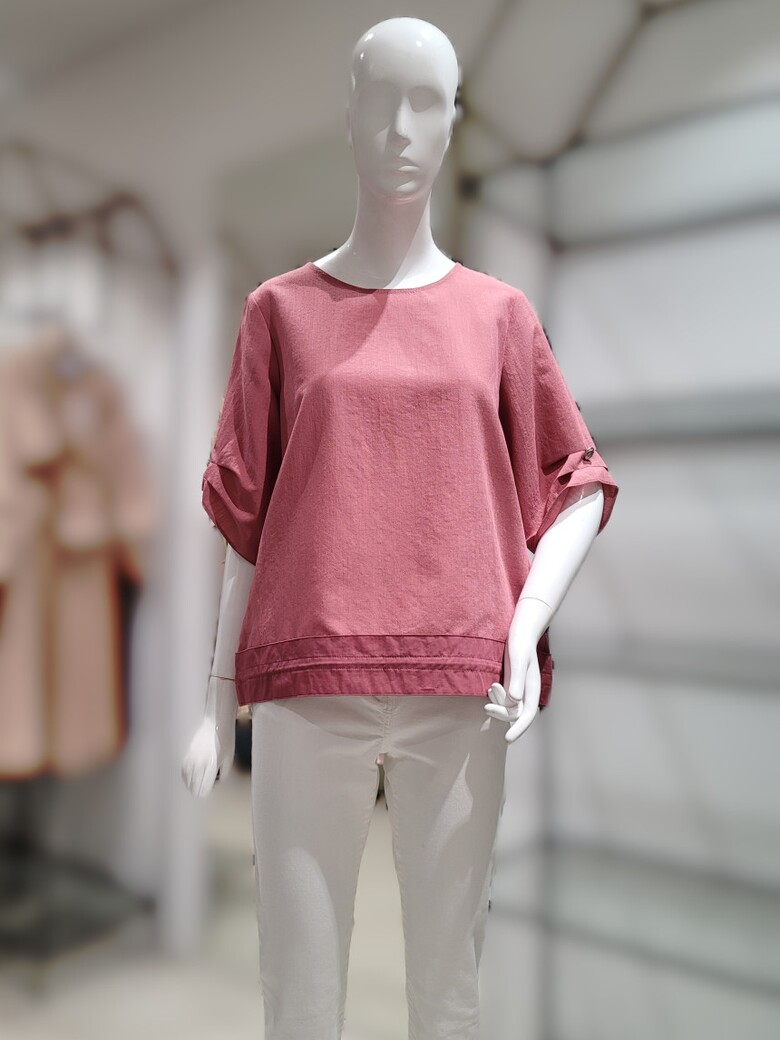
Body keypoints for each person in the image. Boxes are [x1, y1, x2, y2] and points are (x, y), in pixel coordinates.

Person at [182, 16, 619, 1040]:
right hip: (305, 687)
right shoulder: (278, 312)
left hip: (460, 689)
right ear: (346, 115)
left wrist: (525, 622)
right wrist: (215, 697)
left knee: (447, 991)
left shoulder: (499, 316)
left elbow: (577, 482)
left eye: (427, 102)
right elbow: (247, 517)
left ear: (455, 120)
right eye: (381, 99)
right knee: (299, 993)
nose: (401, 128)